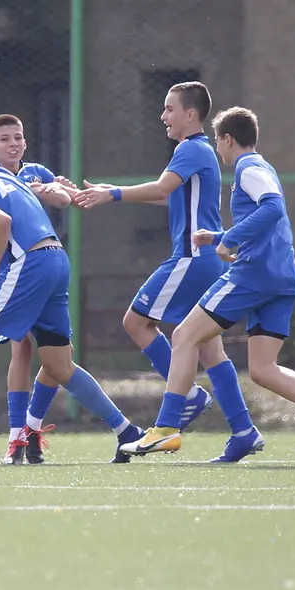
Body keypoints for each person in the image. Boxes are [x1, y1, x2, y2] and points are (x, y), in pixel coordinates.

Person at [121, 107, 295, 461]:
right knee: (262, 369)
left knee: (184, 336)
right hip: (282, 278)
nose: (218, 148)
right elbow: (265, 222)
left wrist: (229, 240)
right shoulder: (263, 167)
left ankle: (165, 429)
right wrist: (217, 237)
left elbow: (273, 208)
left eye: (218, 140)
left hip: (254, 274)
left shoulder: (247, 168)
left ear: (228, 139)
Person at [0, 147, 143, 465]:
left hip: (28, 263)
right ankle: (127, 432)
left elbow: (0, 221)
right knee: (59, 365)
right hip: (56, 259)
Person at [75, 82, 230, 438]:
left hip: (191, 257)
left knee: (136, 321)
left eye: (169, 109)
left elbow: (162, 188)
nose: (163, 116)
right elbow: (169, 196)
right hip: (207, 258)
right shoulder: (200, 150)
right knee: (210, 349)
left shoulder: (189, 148)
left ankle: (187, 398)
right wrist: (110, 192)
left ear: (190, 115)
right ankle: (243, 430)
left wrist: (113, 195)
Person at [0, 114, 73, 464]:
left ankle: (30, 428)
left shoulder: (34, 171)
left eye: (18, 138)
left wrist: (56, 189)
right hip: (18, 269)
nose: (13, 144)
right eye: (5, 139)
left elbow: (64, 198)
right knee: (21, 349)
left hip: (39, 265)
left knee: (56, 358)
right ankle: (16, 437)